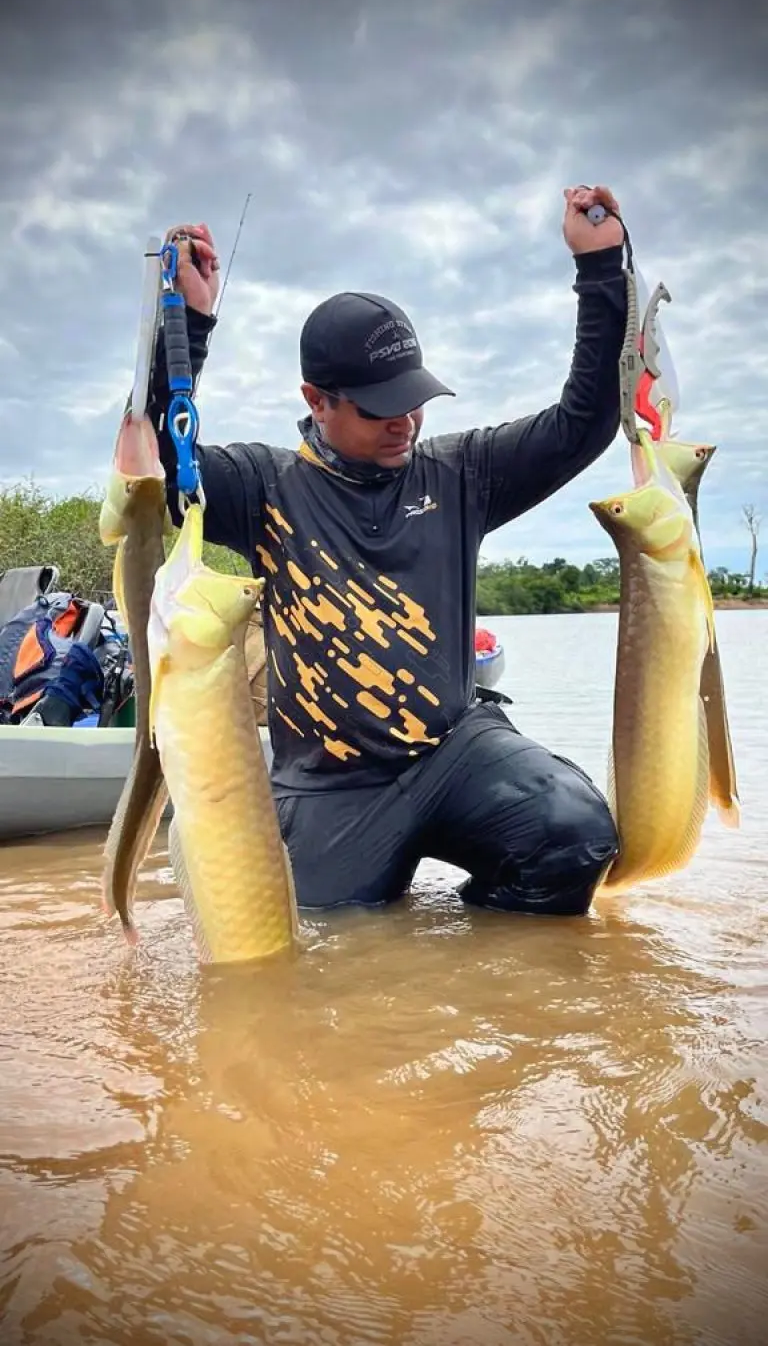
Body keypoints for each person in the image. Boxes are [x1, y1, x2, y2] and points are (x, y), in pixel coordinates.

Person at [145, 185, 627, 916]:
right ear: (317, 399)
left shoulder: (464, 472)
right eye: (379, 406)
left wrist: (601, 272)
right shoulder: (264, 488)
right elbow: (155, 457)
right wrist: (187, 326)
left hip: (455, 751)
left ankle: (484, 967)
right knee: (312, 944)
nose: (405, 421)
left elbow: (583, 423)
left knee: (575, 835)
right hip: (333, 790)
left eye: (415, 398)